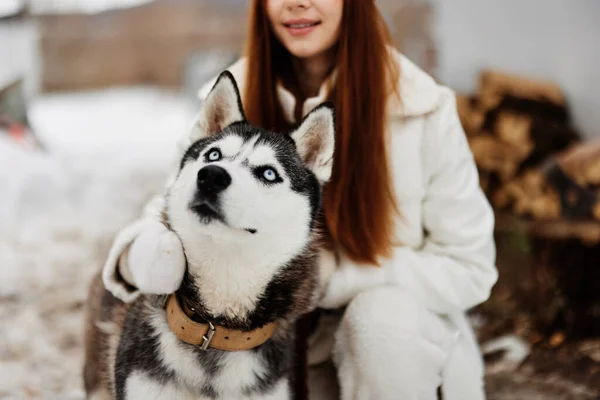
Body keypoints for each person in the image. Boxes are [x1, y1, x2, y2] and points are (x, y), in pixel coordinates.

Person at [102, 0, 498, 399]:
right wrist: (141, 253)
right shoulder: (231, 91)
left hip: (391, 360)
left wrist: (335, 279)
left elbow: (470, 267)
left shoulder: (422, 109)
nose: (297, 3)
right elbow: (175, 200)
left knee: (382, 322)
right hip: (271, 355)